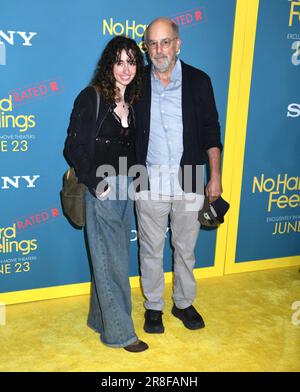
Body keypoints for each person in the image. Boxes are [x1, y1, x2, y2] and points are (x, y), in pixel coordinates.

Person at [134, 18, 223, 333]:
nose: (159, 50)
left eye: (165, 42)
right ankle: (154, 307)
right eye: (153, 44)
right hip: (146, 178)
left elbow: (212, 132)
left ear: (178, 43)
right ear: (146, 48)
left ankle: (183, 303)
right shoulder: (137, 82)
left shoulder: (199, 81)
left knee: (185, 248)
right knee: (150, 248)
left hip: (188, 175)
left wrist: (215, 176)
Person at [63, 36, 148, 352]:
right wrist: (96, 183)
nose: (125, 69)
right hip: (103, 188)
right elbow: (73, 146)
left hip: (127, 187)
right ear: (108, 64)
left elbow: (134, 147)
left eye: (131, 61)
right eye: (119, 61)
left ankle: (99, 319)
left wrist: (138, 180)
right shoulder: (92, 97)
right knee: (110, 260)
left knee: (114, 257)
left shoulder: (135, 101)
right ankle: (120, 333)